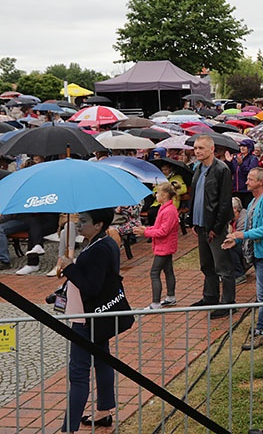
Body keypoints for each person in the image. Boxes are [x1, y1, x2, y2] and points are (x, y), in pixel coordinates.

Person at [57, 208, 122, 432]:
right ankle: (104, 411)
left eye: (84, 221)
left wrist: (70, 268)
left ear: (99, 224)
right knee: (103, 360)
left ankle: (69, 428)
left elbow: (93, 286)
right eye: (78, 220)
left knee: (78, 372)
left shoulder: (99, 248)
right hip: (96, 316)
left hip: (86, 318)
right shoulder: (104, 242)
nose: (79, 224)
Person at [223, 167, 263, 349]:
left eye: (250, 179)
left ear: (260, 182)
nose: (246, 182)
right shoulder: (253, 202)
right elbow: (251, 229)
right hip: (258, 252)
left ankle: (261, 330)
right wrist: (237, 242)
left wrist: (242, 236)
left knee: (262, 292)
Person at [188, 134, 235, 319]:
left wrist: (216, 227)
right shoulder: (198, 168)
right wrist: (192, 220)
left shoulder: (221, 169)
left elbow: (224, 202)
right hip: (201, 225)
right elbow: (195, 196)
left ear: (211, 149)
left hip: (215, 227)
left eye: (201, 148)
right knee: (206, 264)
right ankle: (210, 296)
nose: (197, 151)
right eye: (196, 148)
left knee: (223, 266)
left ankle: (228, 303)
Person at [134, 182, 179, 310]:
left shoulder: (169, 210)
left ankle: (156, 303)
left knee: (155, 272)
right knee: (168, 270)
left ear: (164, 195)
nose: (156, 195)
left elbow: (163, 231)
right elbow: (160, 227)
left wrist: (146, 232)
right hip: (165, 245)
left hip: (164, 246)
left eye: (158, 193)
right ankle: (170, 297)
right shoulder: (165, 208)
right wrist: (147, 229)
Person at [230, 140, 259, 209]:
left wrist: (241, 164)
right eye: (241, 146)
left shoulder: (253, 159)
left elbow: (251, 173)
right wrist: (229, 162)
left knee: (246, 209)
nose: (242, 148)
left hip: (246, 190)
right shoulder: (237, 157)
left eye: (244, 146)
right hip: (236, 189)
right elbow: (232, 170)